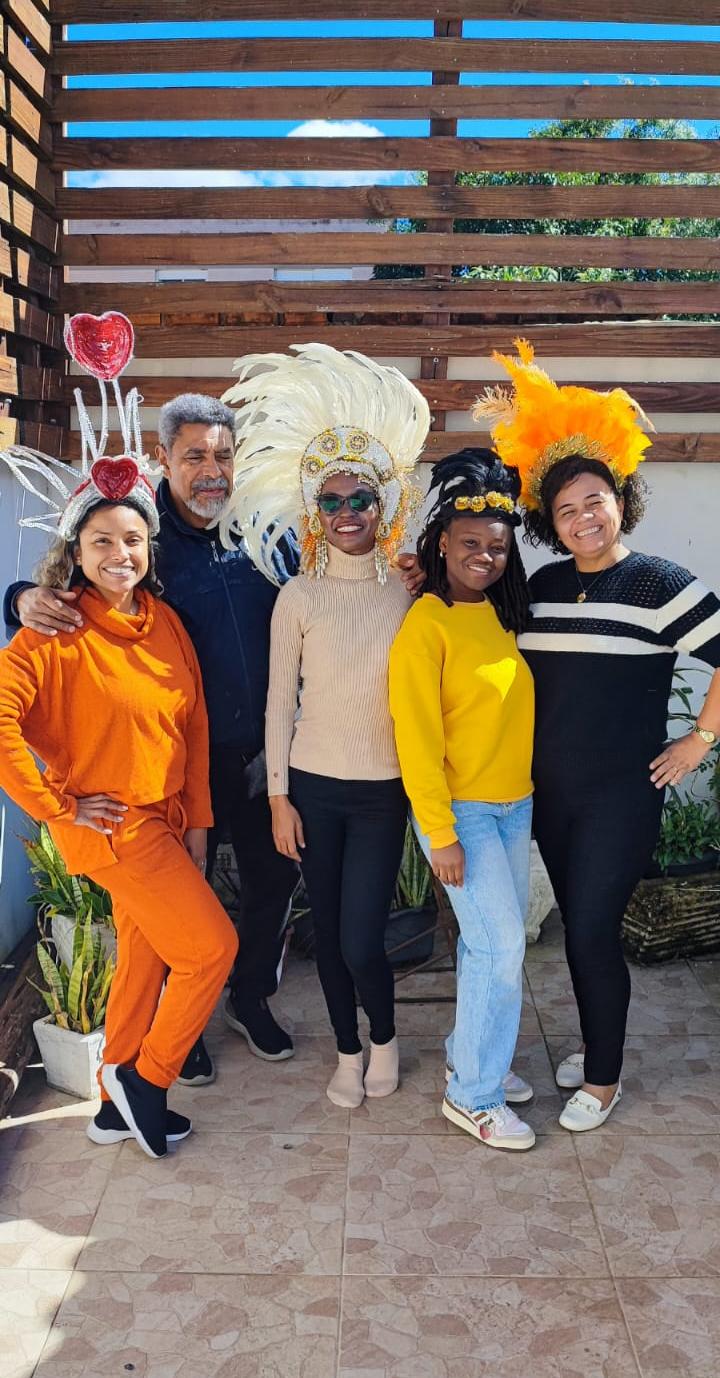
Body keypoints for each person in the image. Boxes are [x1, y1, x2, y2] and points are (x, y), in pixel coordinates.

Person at [4, 391, 299, 1077]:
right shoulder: (139, 535)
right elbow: (77, 574)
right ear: (164, 457)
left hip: (263, 756)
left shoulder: (262, 533)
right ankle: (179, 1031)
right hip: (172, 764)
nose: (212, 471)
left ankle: (249, 998)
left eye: (224, 456)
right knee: (180, 903)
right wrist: (19, 597)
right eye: (195, 455)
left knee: (273, 879)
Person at [475, 338, 720, 1131]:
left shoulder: (659, 584)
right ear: (551, 522)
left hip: (622, 795)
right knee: (580, 931)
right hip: (551, 796)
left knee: (587, 930)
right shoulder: (542, 588)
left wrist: (698, 741)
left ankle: (604, 1079)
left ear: (621, 497)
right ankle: (597, 1043)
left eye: (595, 501)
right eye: (565, 509)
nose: (582, 518)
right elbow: (471, 610)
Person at [0, 353, 238, 1159]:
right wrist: (57, 806)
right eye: (102, 540)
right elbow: (2, 722)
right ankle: (149, 1075)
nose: (120, 554)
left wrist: (198, 829)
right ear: (78, 549)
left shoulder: (164, 622)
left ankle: (110, 1100)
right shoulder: (55, 626)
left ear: (149, 546)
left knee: (143, 960)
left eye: (132, 539)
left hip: (165, 825)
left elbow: (193, 730)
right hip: (111, 827)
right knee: (212, 949)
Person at [221, 343, 430, 1108]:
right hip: (311, 788)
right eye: (333, 502)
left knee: (359, 937)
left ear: (385, 503)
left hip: (383, 792)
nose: (348, 513)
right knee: (331, 932)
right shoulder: (297, 596)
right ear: (316, 511)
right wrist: (278, 798)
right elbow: (280, 705)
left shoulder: (413, 593)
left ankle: (385, 1037)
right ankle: (348, 1051)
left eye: (361, 499)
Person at [389, 448, 536, 1151]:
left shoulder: (503, 614)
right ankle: (473, 1096)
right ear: (440, 541)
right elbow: (416, 741)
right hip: (465, 817)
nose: (485, 556)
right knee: (499, 944)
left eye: (497, 546)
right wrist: (439, 831)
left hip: (515, 806)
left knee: (493, 951)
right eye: (470, 543)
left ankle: (476, 1052)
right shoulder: (427, 624)